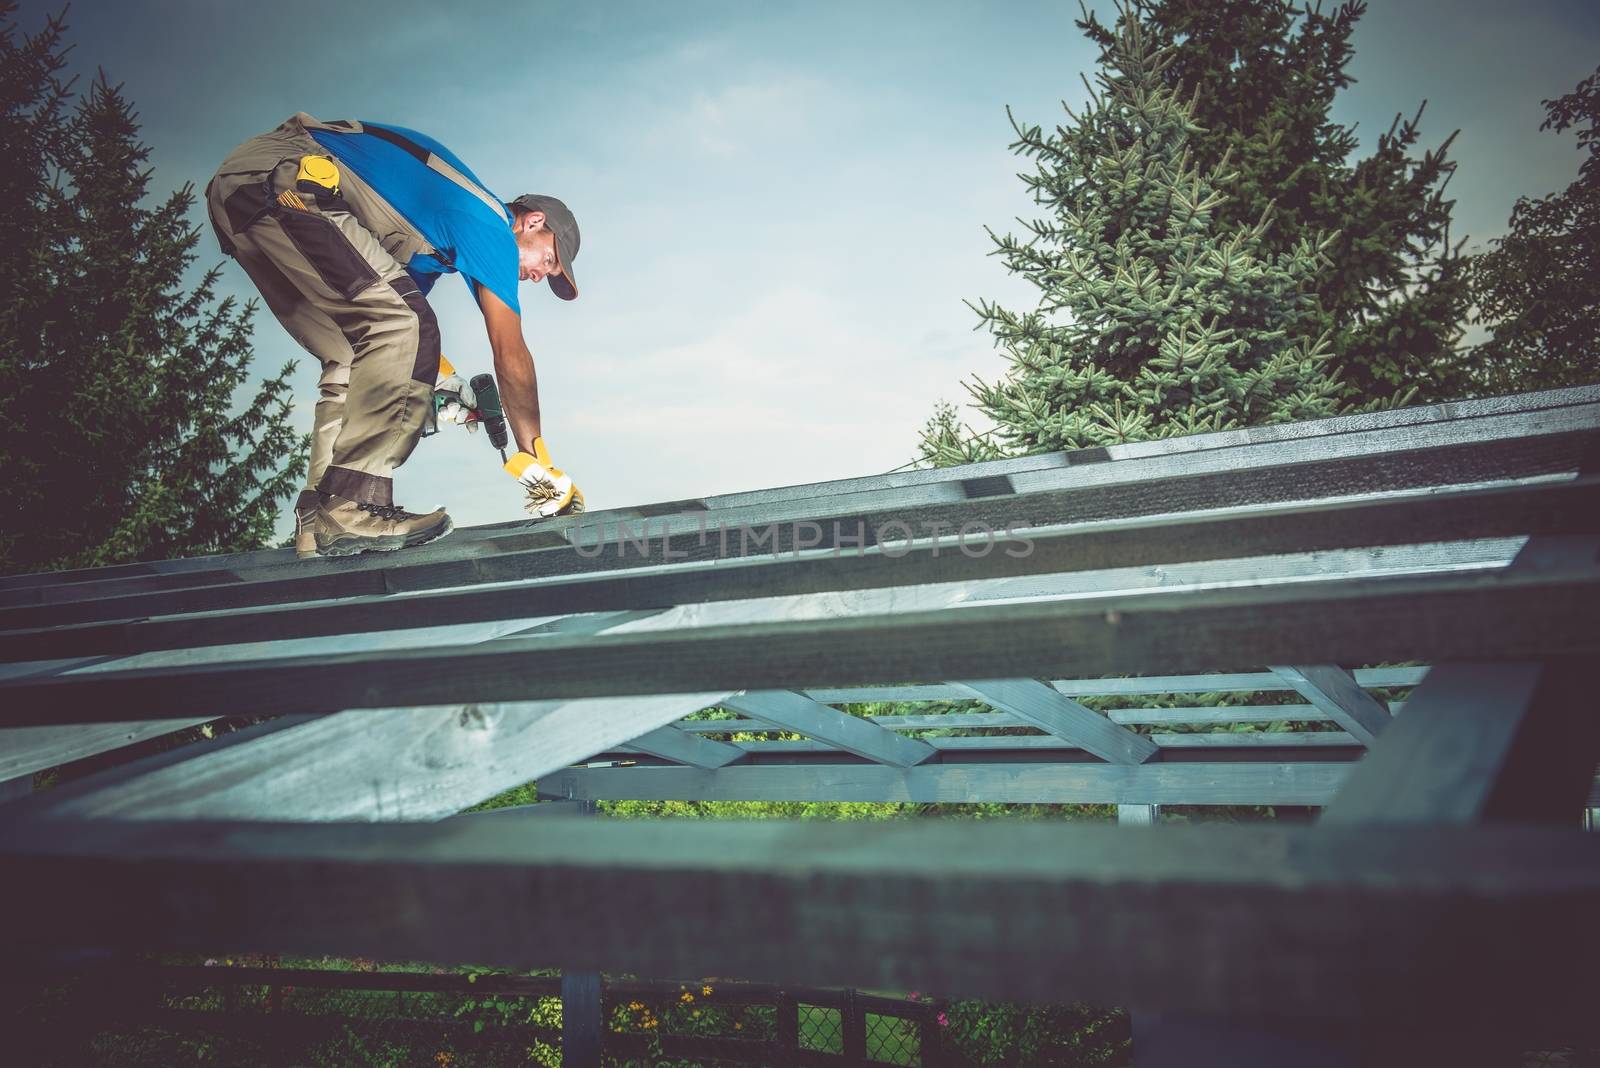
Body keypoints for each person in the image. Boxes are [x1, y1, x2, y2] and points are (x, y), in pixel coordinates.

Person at [205, 112, 584, 559]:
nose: (541, 276)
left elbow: (385, 340)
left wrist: (443, 385)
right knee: (405, 324)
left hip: (245, 197)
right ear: (533, 222)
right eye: (550, 262)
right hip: (288, 178)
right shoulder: (488, 223)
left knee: (354, 352)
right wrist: (537, 458)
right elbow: (510, 355)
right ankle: (353, 505)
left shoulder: (437, 245)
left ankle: (319, 520)